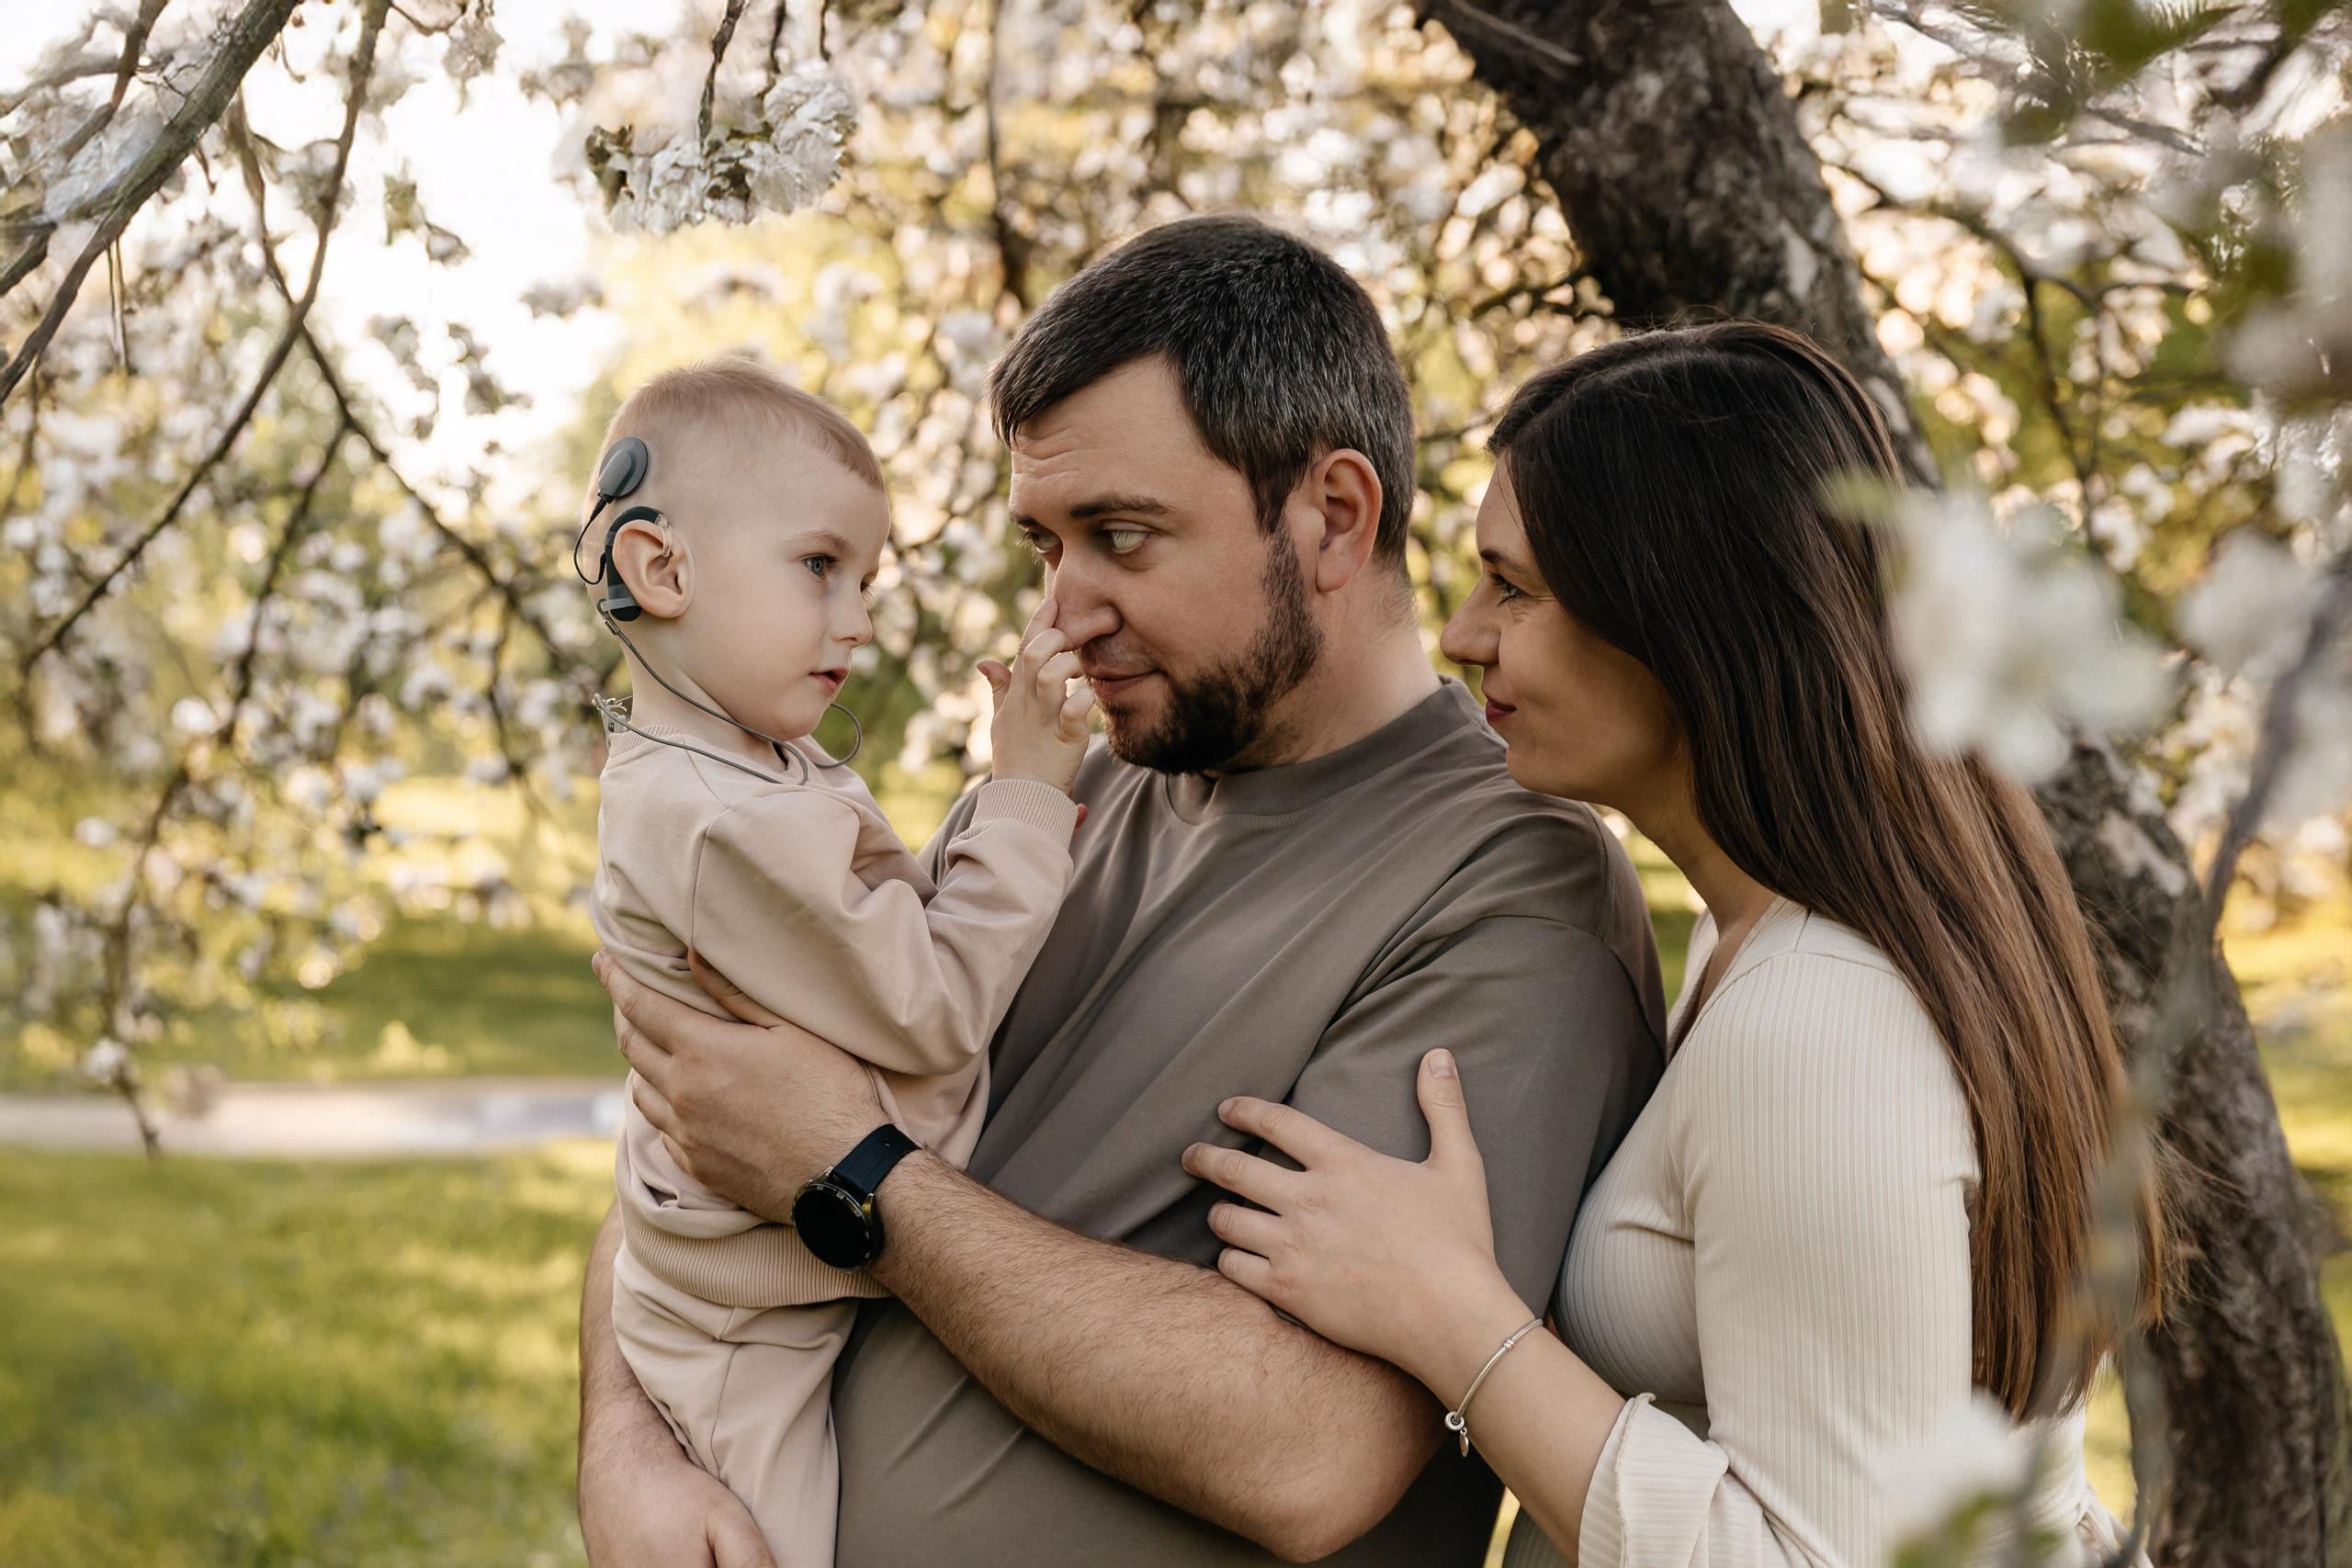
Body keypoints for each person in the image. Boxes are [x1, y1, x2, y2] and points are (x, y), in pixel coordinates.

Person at [577, 216, 1666, 1567]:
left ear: (1333, 516)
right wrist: (626, 1445)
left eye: (1122, 537)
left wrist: (859, 1181)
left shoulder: (1508, 891)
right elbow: (709, 1122)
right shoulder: (1057, 806)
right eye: (1047, 547)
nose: (1063, 614)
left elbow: (1311, 1450)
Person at [1178, 321, 2154, 1567]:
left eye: (1516, 588)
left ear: (1690, 621)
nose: (1468, 632)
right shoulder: (1772, 939)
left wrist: (1452, 1318)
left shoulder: (1823, 1015)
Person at [582, 359, 1097, 1568]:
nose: (857, 617)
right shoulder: (724, 818)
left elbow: (873, 934)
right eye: (819, 567)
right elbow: (929, 1010)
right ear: (663, 569)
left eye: (865, 576)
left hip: (759, 1295)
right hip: (736, 1348)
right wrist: (1023, 793)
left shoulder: (744, 764)